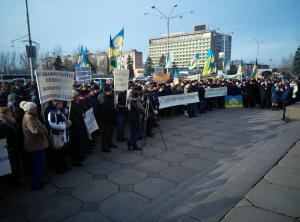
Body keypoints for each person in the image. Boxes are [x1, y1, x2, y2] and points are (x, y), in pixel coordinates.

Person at [21, 101, 49, 190]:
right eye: (35, 108)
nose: (36, 109)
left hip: (36, 144)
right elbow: (36, 131)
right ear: (31, 109)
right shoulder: (29, 118)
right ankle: (34, 183)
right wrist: (44, 127)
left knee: (40, 162)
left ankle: (37, 181)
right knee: (39, 163)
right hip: (35, 145)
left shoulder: (31, 116)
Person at [47, 100, 72, 173]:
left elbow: (64, 120)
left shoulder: (61, 111)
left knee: (63, 151)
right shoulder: (51, 113)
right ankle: (59, 168)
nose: (62, 104)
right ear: (56, 103)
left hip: (64, 135)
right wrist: (64, 126)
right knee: (58, 153)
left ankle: (64, 165)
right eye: (60, 103)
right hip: (58, 135)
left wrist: (68, 122)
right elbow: (51, 124)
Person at [98, 88, 117, 152]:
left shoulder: (109, 97)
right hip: (106, 119)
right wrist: (113, 109)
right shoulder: (103, 98)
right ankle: (104, 147)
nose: (111, 92)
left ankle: (109, 143)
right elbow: (105, 109)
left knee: (110, 132)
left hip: (110, 118)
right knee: (105, 133)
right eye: (110, 91)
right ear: (107, 92)